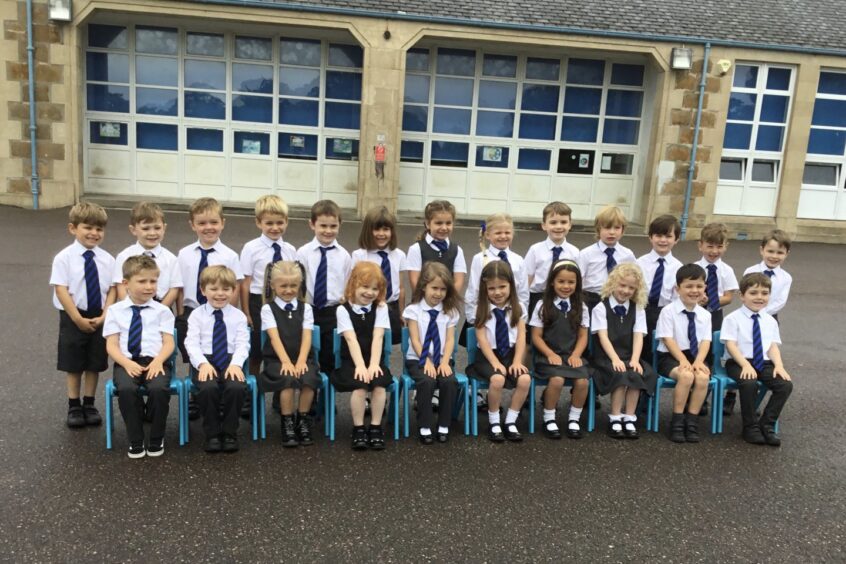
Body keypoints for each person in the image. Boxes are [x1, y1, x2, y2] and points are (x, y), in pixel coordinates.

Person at [50, 202, 115, 428]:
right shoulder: (64, 258)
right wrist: (77, 318)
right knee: (74, 363)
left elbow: (113, 289)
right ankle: (74, 405)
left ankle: (89, 403)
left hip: (99, 316)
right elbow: (61, 289)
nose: (94, 233)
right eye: (88, 227)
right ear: (73, 228)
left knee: (94, 362)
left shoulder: (107, 259)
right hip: (73, 316)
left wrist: (105, 315)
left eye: (99, 229)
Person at [103, 255, 175, 458]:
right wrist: (126, 363)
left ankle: (156, 437)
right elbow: (112, 344)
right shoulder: (115, 311)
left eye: (153, 281)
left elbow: (169, 342)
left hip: (156, 360)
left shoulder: (162, 311)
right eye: (142, 281)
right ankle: (135, 439)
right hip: (126, 362)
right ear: (126, 283)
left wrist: (159, 361)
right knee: (126, 388)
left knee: (159, 388)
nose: (149, 286)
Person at [721, 273, 793, 446]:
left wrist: (779, 365)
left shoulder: (770, 321)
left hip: (764, 362)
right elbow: (731, 345)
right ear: (742, 296)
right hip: (739, 362)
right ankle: (750, 427)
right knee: (749, 382)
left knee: (785, 384)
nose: (759, 297)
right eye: (753, 293)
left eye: (764, 293)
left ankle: (766, 425)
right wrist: (745, 364)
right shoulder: (733, 318)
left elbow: (772, 346)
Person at [185, 266, 249, 453]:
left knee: (236, 387)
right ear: (203, 291)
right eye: (214, 289)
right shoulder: (196, 315)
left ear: (233, 290)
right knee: (208, 388)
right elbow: (191, 343)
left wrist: (236, 364)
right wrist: (202, 364)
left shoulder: (238, 316)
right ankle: (212, 434)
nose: (220, 294)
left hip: (231, 360)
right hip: (205, 360)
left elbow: (243, 344)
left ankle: (229, 433)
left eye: (226, 289)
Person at [331, 262, 394, 450]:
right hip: (352, 361)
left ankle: (375, 426)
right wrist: (360, 366)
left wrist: (374, 365)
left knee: (379, 385)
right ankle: (358, 428)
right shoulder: (343, 309)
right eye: (365, 287)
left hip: (374, 360)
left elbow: (378, 336)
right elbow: (350, 339)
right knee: (359, 387)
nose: (369, 293)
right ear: (353, 285)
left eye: (375, 288)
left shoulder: (381, 308)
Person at [591, 263, 657, 439]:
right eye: (622, 285)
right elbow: (603, 337)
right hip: (606, 358)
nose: (626, 290)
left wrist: (635, 359)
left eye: (631, 287)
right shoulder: (600, 308)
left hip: (629, 356)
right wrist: (615, 359)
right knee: (620, 375)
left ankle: (629, 417)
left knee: (636, 374)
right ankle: (615, 417)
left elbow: (638, 336)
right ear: (613, 283)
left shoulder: (638, 309)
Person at [467, 261, 530, 443]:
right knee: (497, 379)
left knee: (525, 379)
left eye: (502, 287)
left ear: (511, 285)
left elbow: (521, 339)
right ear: (485, 289)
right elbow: (482, 340)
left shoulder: (518, 309)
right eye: (492, 288)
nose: (498, 292)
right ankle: (494, 422)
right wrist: (495, 363)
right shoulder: (481, 309)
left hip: (510, 355)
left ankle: (510, 421)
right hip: (487, 357)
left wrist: (518, 361)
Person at [175, 197, 243, 365]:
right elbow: (179, 286)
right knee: (195, 357)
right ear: (192, 225)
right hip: (191, 312)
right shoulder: (184, 254)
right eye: (202, 223)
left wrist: (228, 313)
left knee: (219, 355)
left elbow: (235, 288)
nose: (208, 227)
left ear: (222, 223)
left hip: (220, 314)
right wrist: (181, 313)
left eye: (214, 222)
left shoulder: (230, 256)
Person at [260, 261, 320, 447]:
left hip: (302, 357)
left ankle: (302, 420)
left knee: (308, 378)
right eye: (283, 286)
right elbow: (274, 338)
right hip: (277, 360)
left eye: (293, 285)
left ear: (300, 285)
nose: (288, 290)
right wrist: (286, 362)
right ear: (273, 286)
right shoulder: (267, 309)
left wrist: (301, 361)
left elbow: (307, 337)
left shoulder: (306, 308)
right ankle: (286, 421)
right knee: (287, 380)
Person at [529, 260, 591, 440]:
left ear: (577, 284)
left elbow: (582, 336)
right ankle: (549, 417)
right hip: (548, 355)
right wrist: (549, 353)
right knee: (557, 379)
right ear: (552, 282)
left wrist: (576, 354)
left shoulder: (581, 306)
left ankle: (574, 419)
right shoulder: (542, 305)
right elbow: (536, 336)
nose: (566, 286)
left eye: (571, 282)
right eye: (561, 282)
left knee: (583, 381)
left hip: (571, 355)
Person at [403, 262, 461, 444]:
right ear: (424, 286)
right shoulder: (413, 311)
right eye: (434, 288)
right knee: (426, 381)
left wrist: (444, 362)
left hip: (442, 359)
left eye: (443, 289)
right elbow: (415, 340)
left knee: (449, 381)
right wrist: (425, 361)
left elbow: (450, 339)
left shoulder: (449, 311)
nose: (438, 293)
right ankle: (425, 425)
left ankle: (444, 424)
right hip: (418, 359)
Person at [655, 264, 712, 443]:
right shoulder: (668, 311)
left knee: (702, 377)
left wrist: (699, 361)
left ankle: (691, 421)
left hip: (696, 357)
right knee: (686, 376)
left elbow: (705, 341)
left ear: (704, 289)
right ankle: (677, 421)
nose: (694, 290)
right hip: (671, 357)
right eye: (689, 286)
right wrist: (682, 360)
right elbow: (667, 339)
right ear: (677, 289)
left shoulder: (705, 315)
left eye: (699, 286)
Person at [240, 195, 296, 377]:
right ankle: (252, 390)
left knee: (283, 347)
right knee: (257, 350)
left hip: (282, 302)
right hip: (259, 302)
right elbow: (246, 282)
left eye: (280, 222)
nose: (275, 228)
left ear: (287, 222)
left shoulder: (290, 250)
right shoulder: (251, 248)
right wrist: (247, 312)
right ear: (259, 223)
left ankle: (281, 395)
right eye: (269, 223)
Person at [297, 199, 352, 373]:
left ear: (339, 225)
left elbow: (347, 283)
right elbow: (299, 283)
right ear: (312, 225)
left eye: (333, 226)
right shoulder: (303, 253)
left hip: (332, 311)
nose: (328, 231)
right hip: (308, 309)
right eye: (323, 226)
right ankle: (310, 398)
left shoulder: (344, 255)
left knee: (330, 357)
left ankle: (326, 399)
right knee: (307, 355)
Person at [695, 222, 738, 416]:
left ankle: (704, 396)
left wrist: (710, 300)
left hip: (715, 314)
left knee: (712, 354)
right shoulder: (694, 268)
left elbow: (729, 297)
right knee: (695, 350)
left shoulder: (726, 270)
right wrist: (698, 299)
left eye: (719, 247)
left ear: (725, 247)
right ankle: (693, 394)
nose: (714, 251)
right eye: (710, 246)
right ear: (701, 245)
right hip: (695, 314)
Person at [464, 212, 530, 335]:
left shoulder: (518, 260)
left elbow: (523, 292)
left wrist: (521, 316)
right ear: (488, 235)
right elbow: (473, 289)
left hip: (511, 316)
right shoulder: (479, 259)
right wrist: (472, 319)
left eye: (507, 233)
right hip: (487, 315)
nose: (503, 236)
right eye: (498, 233)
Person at [352, 206, 407, 345]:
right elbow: (354, 286)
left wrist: (401, 312)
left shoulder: (399, 255)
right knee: (368, 342)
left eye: (386, 229)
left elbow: (400, 287)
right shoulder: (360, 255)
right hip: (368, 305)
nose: (381, 234)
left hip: (391, 306)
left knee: (387, 344)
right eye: (376, 229)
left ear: (392, 231)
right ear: (367, 231)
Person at [112, 201, 182, 308]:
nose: (152, 233)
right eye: (145, 228)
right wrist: (131, 308)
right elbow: (120, 285)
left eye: (157, 228)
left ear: (164, 228)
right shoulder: (124, 256)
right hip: (131, 306)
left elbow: (174, 289)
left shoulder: (171, 259)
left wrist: (159, 311)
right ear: (133, 230)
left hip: (161, 308)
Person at [636, 214, 683, 365]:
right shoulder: (638, 263)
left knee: (659, 354)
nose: (663, 240)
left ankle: (653, 384)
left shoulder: (679, 268)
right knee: (640, 351)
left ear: (676, 240)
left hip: (665, 314)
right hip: (641, 311)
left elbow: (677, 299)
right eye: (658, 235)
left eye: (668, 236)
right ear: (650, 237)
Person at [524, 201, 580, 321]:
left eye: (563, 222)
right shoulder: (535, 250)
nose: (559, 226)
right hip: (538, 296)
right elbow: (527, 278)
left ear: (570, 224)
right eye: (553, 222)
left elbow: (578, 279)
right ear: (544, 225)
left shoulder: (574, 252)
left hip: (564, 297)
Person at [578, 205, 636, 313]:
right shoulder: (586, 254)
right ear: (598, 229)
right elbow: (578, 280)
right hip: (592, 299)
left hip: (617, 299)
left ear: (623, 230)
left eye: (617, 228)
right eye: (607, 228)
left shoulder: (627, 255)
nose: (612, 232)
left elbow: (634, 279)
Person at [406, 199, 467, 293]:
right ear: (427, 224)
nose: (444, 228)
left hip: (448, 304)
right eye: (438, 223)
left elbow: (458, 281)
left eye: (448, 223)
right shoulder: (416, 249)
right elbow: (415, 282)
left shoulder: (457, 250)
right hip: (422, 303)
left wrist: (447, 301)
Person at [743, 229, 792, 323]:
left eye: (780, 253)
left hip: (771, 318)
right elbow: (745, 294)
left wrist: (762, 312)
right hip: (748, 315)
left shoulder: (786, 277)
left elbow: (781, 301)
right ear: (762, 250)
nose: (774, 256)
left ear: (786, 254)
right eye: (770, 251)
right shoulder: (750, 271)